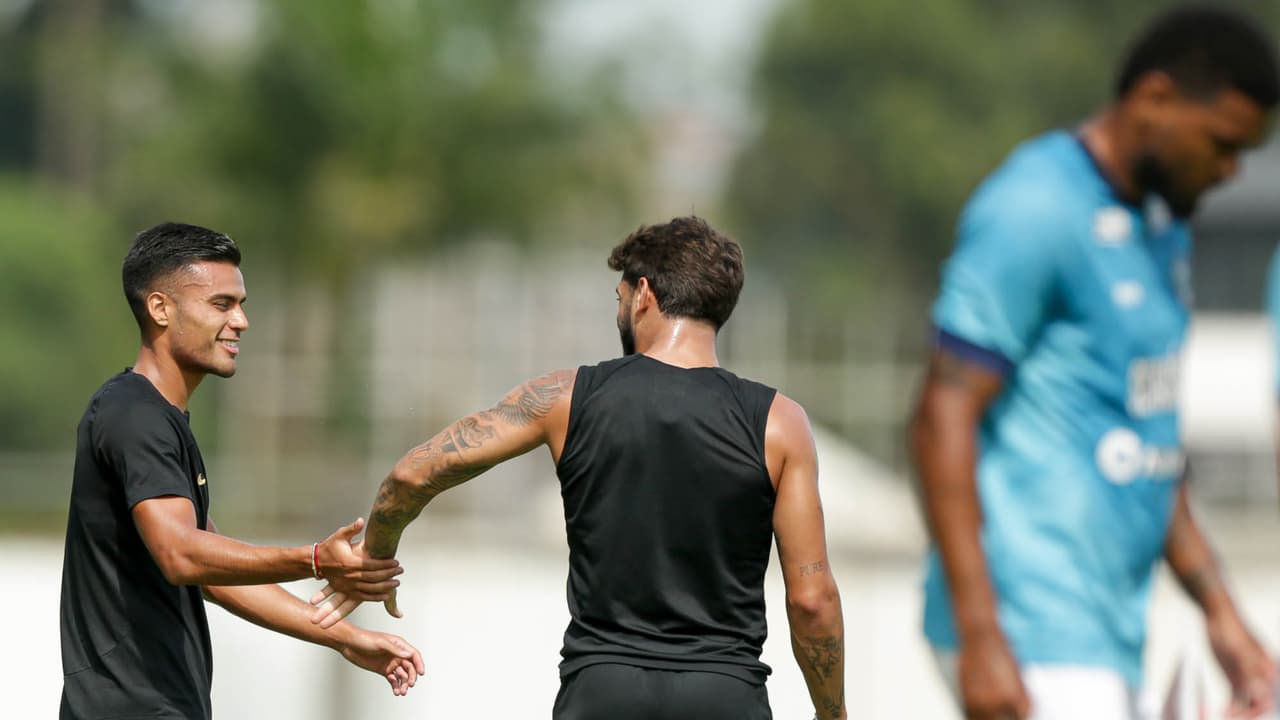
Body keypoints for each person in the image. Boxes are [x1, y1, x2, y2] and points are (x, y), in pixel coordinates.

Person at [309, 216, 846, 719]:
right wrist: (832, 714)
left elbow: (413, 474)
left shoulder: (566, 399)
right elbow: (811, 600)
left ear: (643, 296)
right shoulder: (779, 423)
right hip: (724, 694)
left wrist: (374, 557)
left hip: (601, 691)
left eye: (619, 297)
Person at [910, 5, 1280, 720]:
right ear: (1156, 100)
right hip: (1029, 629)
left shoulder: (1162, 231)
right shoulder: (1037, 206)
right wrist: (983, 634)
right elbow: (939, 415)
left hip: (1106, 636)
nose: (1232, 170)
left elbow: (1146, 443)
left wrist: (1218, 608)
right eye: (1222, 143)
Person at [59, 222, 426, 720]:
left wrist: (342, 637)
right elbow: (181, 555)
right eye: (221, 304)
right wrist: (317, 559)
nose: (241, 321)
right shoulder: (135, 415)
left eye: (241, 304)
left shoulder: (158, 418)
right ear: (161, 309)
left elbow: (214, 574)